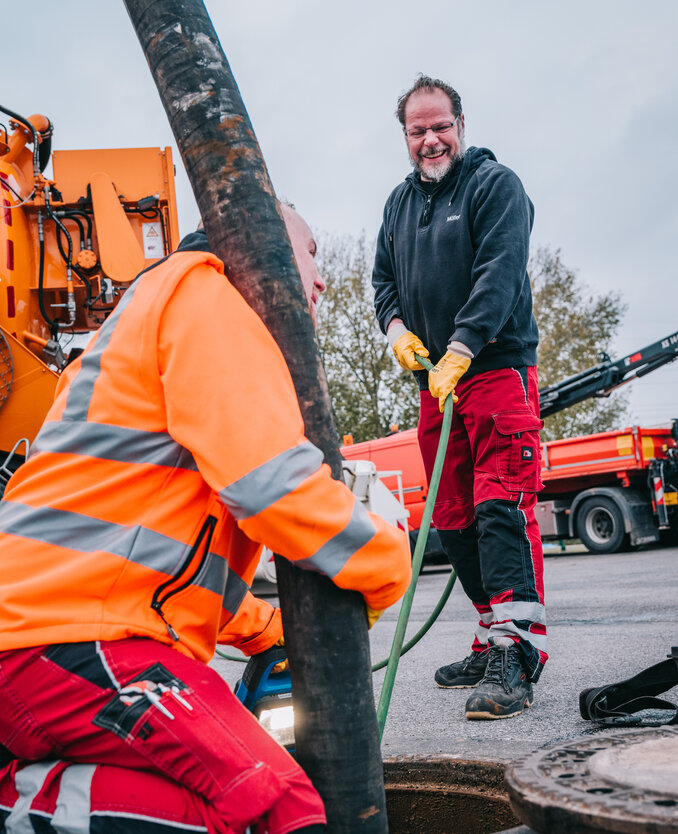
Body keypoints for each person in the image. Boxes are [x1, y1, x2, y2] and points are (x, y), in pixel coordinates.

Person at [0, 203, 411, 833]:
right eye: (310, 252)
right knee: (271, 805)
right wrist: (387, 565)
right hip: (67, 640)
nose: (322, 279)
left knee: (216, 795)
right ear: (261, 246)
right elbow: (274, 487)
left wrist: (264, 629)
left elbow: (169, 565)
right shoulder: (206, 292)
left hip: (58, 636)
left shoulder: (159, 312)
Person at [372, 74, 546, 721]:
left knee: (500, 509)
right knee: (451, 518)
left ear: (462, 123)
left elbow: (499, 272)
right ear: (406, 136)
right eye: (417, 130)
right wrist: (398, 333)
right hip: (436, 388)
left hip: (494, 372)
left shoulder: (494, 186)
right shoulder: (398, 204)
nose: (430, 139)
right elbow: (382, 278)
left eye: (439, 125)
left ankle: (518, 653)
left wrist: (463, 347)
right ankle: (488, 634)